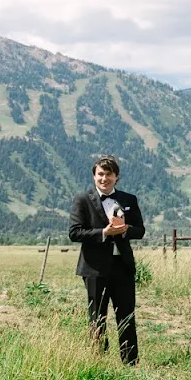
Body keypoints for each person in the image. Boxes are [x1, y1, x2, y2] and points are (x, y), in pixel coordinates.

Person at [68, 155, 145, 365]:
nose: (104, 178)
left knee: (127, 316)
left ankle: (130, 362)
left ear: (116, 177)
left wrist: (125, 229)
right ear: (94, 177)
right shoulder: (82, 200)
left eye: (108, 174)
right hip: (94, 269)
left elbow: (140, 231)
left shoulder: (129, 200)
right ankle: (98, 362)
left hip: (123, 267)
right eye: (100, 174)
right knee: (97, 317)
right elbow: (75, 233)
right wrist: (104, 232)